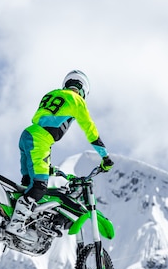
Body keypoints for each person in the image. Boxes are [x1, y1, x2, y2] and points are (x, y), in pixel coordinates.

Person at [6, 70, 114, 242]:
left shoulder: (51, 94)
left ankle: (14, 218)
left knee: (27, 184)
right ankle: (16, 224)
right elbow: (90, 131)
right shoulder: (77, 100)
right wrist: (105, 157)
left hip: (28, 134)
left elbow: (44, 120)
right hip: (40, 140)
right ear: (84, 89)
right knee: (40, 186)